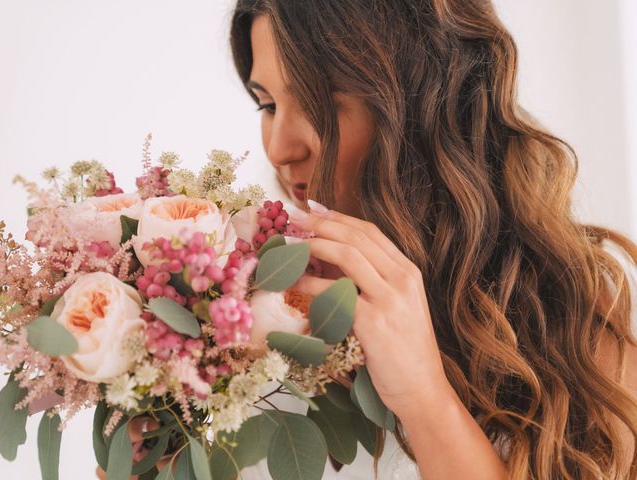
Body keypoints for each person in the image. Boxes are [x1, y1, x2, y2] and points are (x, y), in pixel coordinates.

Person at [99, 1, 637, 478]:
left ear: (426, 107)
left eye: (320, 103)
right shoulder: (239, 309)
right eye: (267, 105)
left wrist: (424, 398)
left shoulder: (574, 320)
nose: (281, 149)